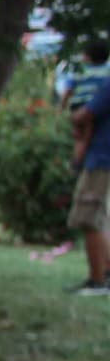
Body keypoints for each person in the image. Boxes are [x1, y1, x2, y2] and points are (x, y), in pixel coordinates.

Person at [68, 48, 110, 295]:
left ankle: (97, 280)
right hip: (100, 156)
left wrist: (72, 117)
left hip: (101, 157)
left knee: (87, 216)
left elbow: (84, 114)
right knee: (99, 218)